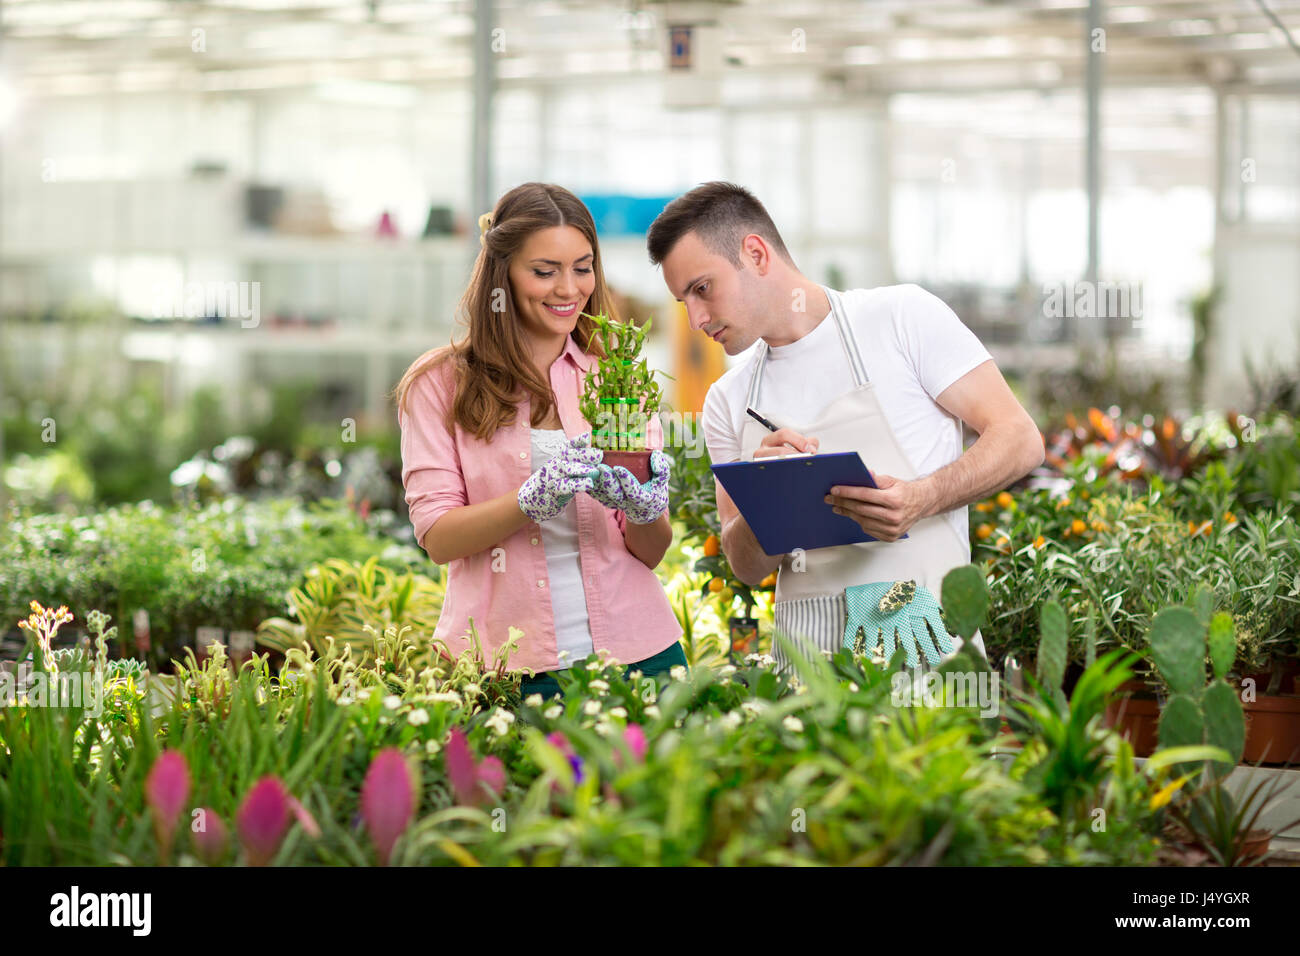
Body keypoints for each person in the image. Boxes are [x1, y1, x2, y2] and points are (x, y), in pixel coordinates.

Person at [646, 182, 1044, 674]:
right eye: (683, 299)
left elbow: (1020, 438)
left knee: (931, 750)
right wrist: (765, 499)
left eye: (702, 289)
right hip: (803, 647)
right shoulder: (728, 401)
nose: (695, 319)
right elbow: (745, 566)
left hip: (910, 617)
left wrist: (922, 498)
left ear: (755, 253)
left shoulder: (900, 318)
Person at [395, 182, 685, 699]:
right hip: (508, 665)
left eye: (582, 266)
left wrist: (643, 510)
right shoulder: (439, 384)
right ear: (501, 273)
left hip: (638, 656)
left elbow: (652, 551)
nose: (568, 289)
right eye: (544, 271)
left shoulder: (618, 376)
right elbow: (438, 538)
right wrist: (530, 500)